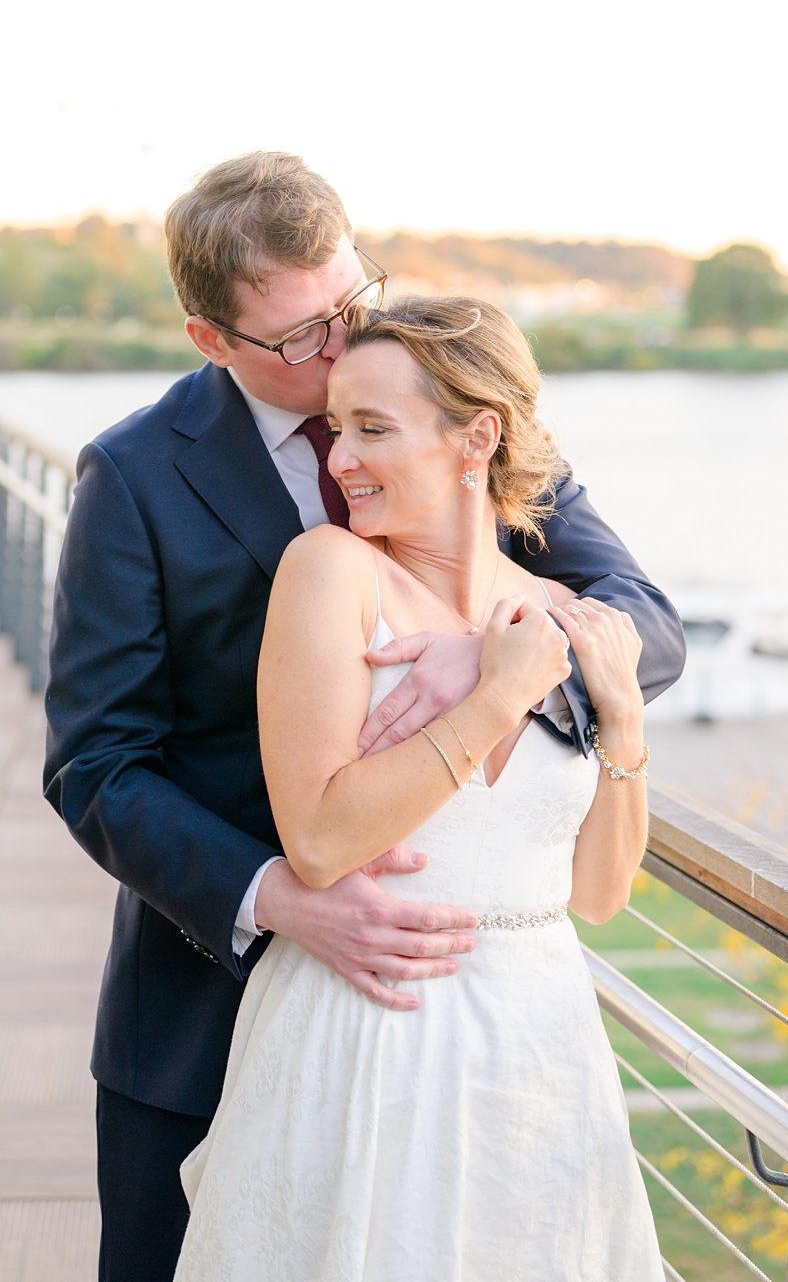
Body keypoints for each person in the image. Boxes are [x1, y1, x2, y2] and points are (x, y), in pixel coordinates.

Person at [43, 153, 684, 1282]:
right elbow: (97, 762)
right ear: (212, 340)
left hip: (501, 1032)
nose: (339, 349)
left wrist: (512, 668)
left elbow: (645, 619)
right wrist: (275, 893)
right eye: (301, 340)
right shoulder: (135, 476)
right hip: (207, 995)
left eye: (352, 305)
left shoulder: (444, 402)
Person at [175, 294, 665, 1278]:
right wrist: (495, 697)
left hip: (540, 1040)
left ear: (475, 436)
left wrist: (626, 723)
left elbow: (601, 895)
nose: (337, 459)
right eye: (333, 428)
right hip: (368, 1029)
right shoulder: (331, 573)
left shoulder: (561, 612)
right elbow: (317, 840)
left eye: (371, 428)